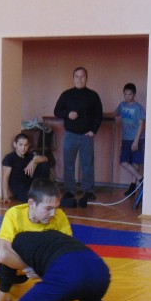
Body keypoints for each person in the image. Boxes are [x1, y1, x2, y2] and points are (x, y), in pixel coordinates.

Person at [0, 229, 129, 301]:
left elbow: (5, 278)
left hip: (68, 271)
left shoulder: (7, 249)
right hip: (100, 270)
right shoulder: (47, 236)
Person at [53, 67, 103, 208]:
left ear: (86, 78)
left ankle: (88, 191)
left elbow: (98, 115)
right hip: (70, 135)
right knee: (69, 164)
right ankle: (70, 191)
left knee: (87, 164)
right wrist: (68, 114)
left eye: (82, 76)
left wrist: (93, 131)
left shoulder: (93, 95)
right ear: (73, 78)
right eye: (77, 76)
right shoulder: (66, 94)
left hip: (87, 136)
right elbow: (57, 111)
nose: (80, 79)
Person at [0, 132, 51, 204]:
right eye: (20, 145)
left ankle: (44, 193)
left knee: (43, 165)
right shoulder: (9, 158)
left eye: (25, 145)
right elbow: (5, 178)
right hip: (21, 191)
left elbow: (46, 159)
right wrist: (5, 196)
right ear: (15, 144)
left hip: (31, 186)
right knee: (42, 200)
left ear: (28, 145)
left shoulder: (29, 155)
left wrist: (33, 161)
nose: (23, 148)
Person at [114, 82, 145, 195]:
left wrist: (136, 141)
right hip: (125, 138)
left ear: (134, 94)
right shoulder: (122, 105)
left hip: (136, 139)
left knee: (135, 162)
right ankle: (141, 179)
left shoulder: (138, 107)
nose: (127, 96)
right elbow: (114, 114)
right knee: (124, 161)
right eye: (125, 94)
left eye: (130, 94)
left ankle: (133, 186)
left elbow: (141, 124)